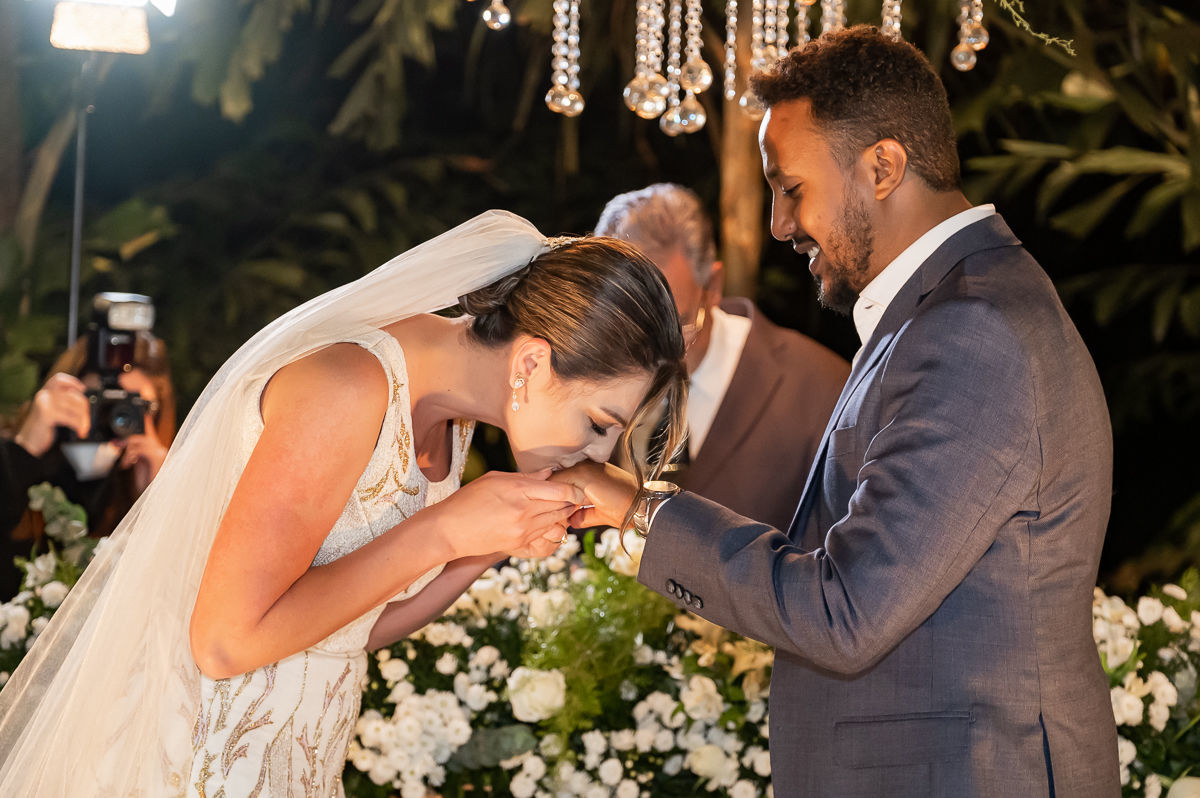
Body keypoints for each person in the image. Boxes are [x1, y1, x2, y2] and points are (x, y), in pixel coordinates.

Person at [559, 27, 1119, 797]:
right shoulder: (946, 312)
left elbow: (847, 610)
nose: (780, 224)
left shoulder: (973, 329)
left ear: (883, 167)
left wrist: (639, 509)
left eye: (791, 188)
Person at [0, 211, 687, 797]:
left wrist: (486, 544)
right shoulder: (349, 384)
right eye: (598, 422)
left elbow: (352, 628)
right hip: (203, 760)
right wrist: (446, 531)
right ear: (531, 364)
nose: (597, 453)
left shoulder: (453, 416)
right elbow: (224, 640)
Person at [595, 183, 848, 530]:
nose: (642, 350)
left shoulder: (821, 391)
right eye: (623, 323)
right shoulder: (587, 371)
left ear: (712, 286)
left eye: (671, 322)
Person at [0, 330, 176, 598]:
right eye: (101, 402)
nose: (112, 419)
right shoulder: (12, 463)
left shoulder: (151, 481)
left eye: (131, 407)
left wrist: (159, 497)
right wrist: (23, 452)